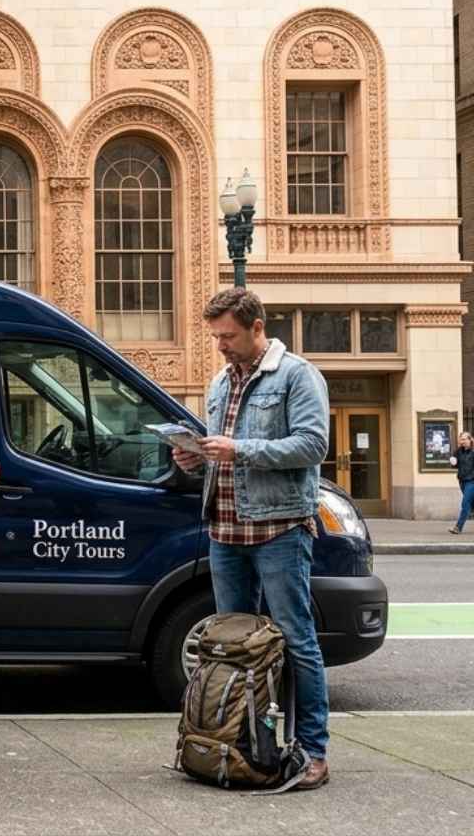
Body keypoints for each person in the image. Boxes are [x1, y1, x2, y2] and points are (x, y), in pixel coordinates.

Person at [172, 287, 332, 791]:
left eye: (228, 336)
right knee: (232, 647)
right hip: (225, 529)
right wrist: (196, 457)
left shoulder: (297, 375)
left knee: (296, 640)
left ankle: (312, 752)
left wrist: (238, 449)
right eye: (216, 336)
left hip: (279, 527)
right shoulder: (221, 381)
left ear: (257, 327)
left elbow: (312, 444)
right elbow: (222, 454)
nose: (220, 345)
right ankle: (240, 748)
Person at [452, 432, 474, 534]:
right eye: (461, 439)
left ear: (470, 440)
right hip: (462, 481)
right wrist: (453, 463)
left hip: (472, 481)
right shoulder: (458, 452)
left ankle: (458, 527)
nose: (463, 441)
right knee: (471, 504)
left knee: (465, 503)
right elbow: (456, 465)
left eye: (465, 439)